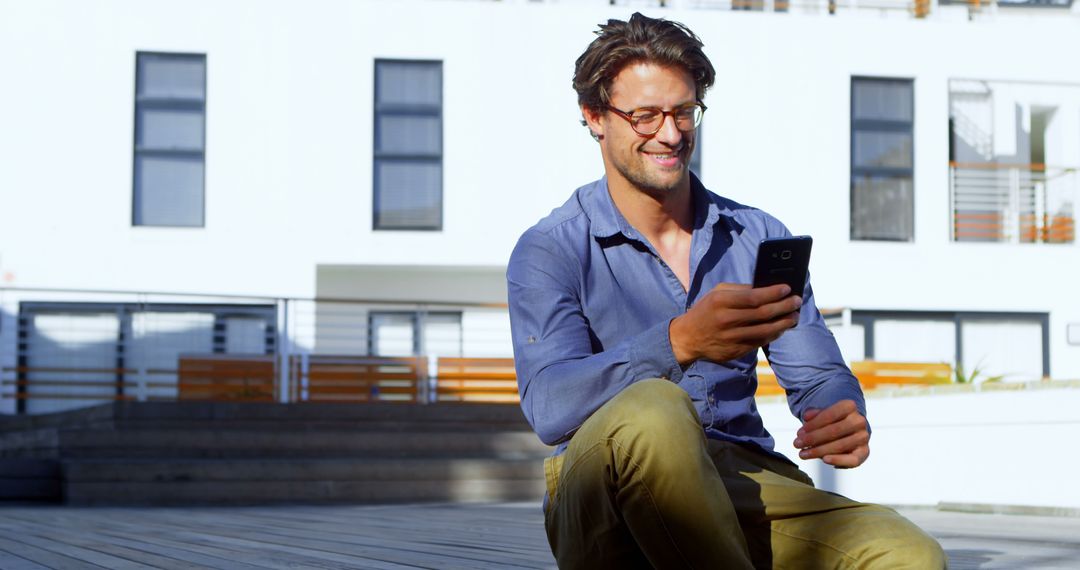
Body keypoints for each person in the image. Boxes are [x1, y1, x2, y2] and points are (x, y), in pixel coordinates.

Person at [506, 12, 946, 569]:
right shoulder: (551, 248)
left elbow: (817, 375)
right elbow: (548, 404)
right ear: (595, 117)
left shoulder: (757, 237)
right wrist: (680, 342)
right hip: (603, 497)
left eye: (684, 112)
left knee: (906, 553)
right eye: (644, 116)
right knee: (654, 409)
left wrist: (840, 411)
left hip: (742, 476)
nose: (670, 134)